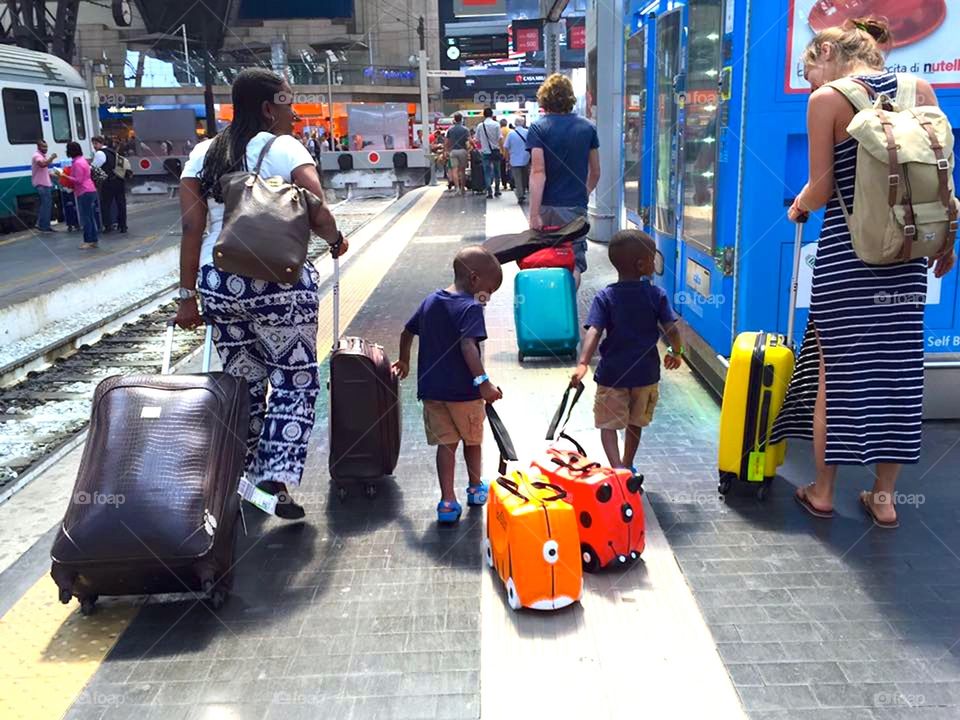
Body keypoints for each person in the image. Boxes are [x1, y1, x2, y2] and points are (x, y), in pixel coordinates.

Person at [772, 17, 955, 529]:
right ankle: (884, 498)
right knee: (897, 374)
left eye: (810, 71)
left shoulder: (827, 100)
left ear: (826, 51)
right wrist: (949, 238)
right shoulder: (921, 88)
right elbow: (939, 178)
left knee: (838, 373)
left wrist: (798, 209)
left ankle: (824, 491)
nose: (811, 82)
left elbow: (822, 187)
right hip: (907, 256)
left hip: (849, 257)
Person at [175, 67, 348, 520]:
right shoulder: (284, 147)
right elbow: (317, 208)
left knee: (245, 384)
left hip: (219, 283)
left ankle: (244, 479)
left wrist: (186, 295)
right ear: (269, 107)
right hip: (276, 283)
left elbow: (192, 228)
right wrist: (334, 240)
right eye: (289, 101)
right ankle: (275, 480)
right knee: (294, 379)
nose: (294, 112)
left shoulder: (203, 153)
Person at [393, 246, 503, 523]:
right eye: (490, 290)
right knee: (473, 442)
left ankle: (446, 501)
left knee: (447, 446)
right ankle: (476, 489)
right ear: (475, 279)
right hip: (464, 393)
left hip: (432, 392)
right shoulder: (470, 308)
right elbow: (469, 347)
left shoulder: (431, 301)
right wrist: (484, 384)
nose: (488, 298)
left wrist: (404, 361)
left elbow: (408, 331)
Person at [571, 230, 683, 474]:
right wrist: (677, 352)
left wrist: (582, 363)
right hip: (646, 374)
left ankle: (617, 469)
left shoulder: (606, 296)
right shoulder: (657, 295)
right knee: (635, 422)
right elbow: (672, 330)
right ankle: (628, 464)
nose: (655, 261)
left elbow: (594, 331)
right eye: (653, 257)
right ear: (641, 264)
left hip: (613, 374)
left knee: (608, 424)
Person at [528, 73, 601, 288]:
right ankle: (568, 308)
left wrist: (533, 213)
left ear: (544, 99)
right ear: (570, 98)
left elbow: (538, 172)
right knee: (573, 262)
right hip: (575, 207)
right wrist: (582, 194)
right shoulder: (587, 128)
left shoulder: (539, 128)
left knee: (545, 258)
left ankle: (549, 307)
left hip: (546, 207)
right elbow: (596, 171)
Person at [92, 136, 127, 234]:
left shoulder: (100, 153)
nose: (94, 146)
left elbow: (94, 167)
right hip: (119, 179)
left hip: (108, 182)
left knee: (106, 204)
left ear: (100, 143)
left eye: (95, 143)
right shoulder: (112, 151)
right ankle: (123, 225)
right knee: (120, 203)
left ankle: (108, 225)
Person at [67, 142, 99, 249]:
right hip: (90, 189)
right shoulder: (83, 160)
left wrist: (64, 176)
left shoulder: (77, 163)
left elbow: (78, 180)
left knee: (86, 217)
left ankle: (88, 240)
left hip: (84, 191)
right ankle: (94, 240)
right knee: (90, 216)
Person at [476, 108, 502, 199]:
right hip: (495, 151)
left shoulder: (480, 126)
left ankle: (489, 191)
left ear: (484, 115)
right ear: (492, 115)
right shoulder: (496, 124)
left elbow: (477, 139)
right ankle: (497, 190)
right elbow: (500, 138)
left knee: (487, 172)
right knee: (497, 171)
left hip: (485, 152)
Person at [503, 116, 530, 204]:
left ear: (515, 124)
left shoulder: (511, 134)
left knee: (517, 178)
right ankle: (525, 190)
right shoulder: (527, 132)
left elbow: (506, 147)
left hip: (514, 160)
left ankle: (520, 196)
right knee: (526, 177)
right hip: (526, 159)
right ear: (523, 123)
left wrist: (507, 159)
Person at [31, 139, 57, 233]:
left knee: (46, 205)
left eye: (46, 147)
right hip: (42, 185)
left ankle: (43, 225)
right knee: (46, 205)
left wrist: (53, 174)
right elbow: (42, 164)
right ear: (38, 147)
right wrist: (52, 158)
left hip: (45, 183)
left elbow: (43, 170)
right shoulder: (37, 156)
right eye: (43, 147)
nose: (45, 148)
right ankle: (43, 226)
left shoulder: (41, 156)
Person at [444, 112, 470, 196]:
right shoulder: (465, 129)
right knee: (462, 171)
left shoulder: (450, 130)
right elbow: (469, 141)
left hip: (453, 152)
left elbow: (446, 142)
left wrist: (446, 151)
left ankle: (457, 188)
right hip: (462, 151)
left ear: (454, 119)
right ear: (461, 119)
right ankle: (463, 188)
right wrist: (470, 149)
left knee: (454, 170)